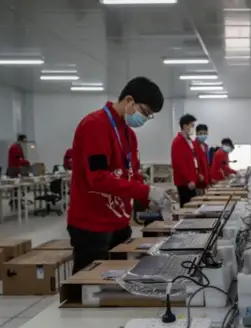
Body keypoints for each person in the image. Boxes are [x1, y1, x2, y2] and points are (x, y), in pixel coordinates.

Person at [67, 76, 172, 274]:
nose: (144, 119)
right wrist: (147, 191)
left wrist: (148, 199)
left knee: (118, 281)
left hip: (119, 222)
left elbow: (132, 174)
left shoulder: (128, 134)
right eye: (145, 113)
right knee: (89, 286)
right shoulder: (94, 125)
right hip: (92, 223)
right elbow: (98, 178)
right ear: (129, 101)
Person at [171, 114, 200, 207]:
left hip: (191, 181)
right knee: (187, 208)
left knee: (194, 207)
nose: (193, 128)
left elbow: (193, 161)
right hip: (185, 183)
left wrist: (195, 177)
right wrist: (189, 180)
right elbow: (179, 164)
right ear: (185, 126)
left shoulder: (189, 141)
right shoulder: (178, 142)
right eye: (192, 125)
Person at [194, 124, 210, 191]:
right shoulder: (193, 145)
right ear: (196, 133)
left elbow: (207, 164)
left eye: (204, 133)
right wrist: (198, 175)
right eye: (200, 133)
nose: (203, 135)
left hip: (205, 180)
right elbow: (193, 163)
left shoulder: (206, 146)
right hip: (197, 179)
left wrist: (209, 179)